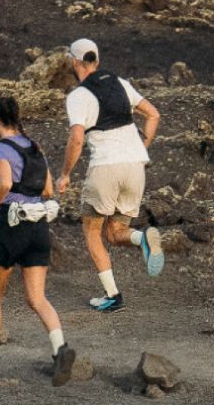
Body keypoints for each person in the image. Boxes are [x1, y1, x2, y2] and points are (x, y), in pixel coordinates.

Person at [0, 95, 73, 385]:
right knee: (37, 297)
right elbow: (49, 189)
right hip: (39, 227)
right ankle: (60, 350)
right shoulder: (35, 147)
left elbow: (4, 182)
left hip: (12, 225)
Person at [57, 37, 163, 312]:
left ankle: (113, 296)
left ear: (74, 62)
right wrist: (141, 146)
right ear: (97, 61)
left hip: (105, 168)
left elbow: (77, 139)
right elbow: (153, 115)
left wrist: (65, 174)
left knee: (92, 231)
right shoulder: (122, 84)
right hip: (135, 166)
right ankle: (143, 239)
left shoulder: (78, 96)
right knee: (115, 232)